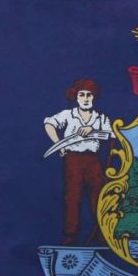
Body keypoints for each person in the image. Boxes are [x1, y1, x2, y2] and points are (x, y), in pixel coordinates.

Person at [44, 79, 112, 246]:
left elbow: (113, 134)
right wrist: (57, 144)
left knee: (98, 196)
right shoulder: (68, 114)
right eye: (82, 94)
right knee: (72, 197)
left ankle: (101, 233)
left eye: (89, 94)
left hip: (93, 160)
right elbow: (49, 123)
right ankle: (71, 235)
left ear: (94, 97)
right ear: (76, 96)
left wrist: (93, 131)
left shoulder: (100, 118)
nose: (86, 98)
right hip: (73, 160)